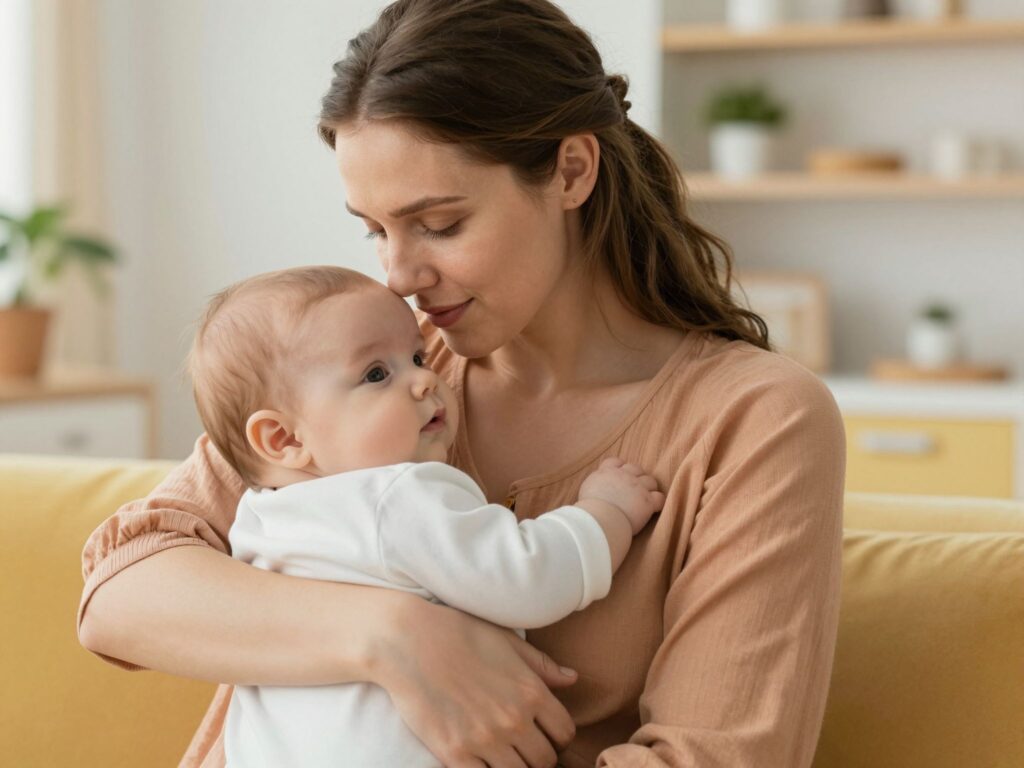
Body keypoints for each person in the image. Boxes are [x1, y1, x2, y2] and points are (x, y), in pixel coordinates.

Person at [77, 1, 846, 766]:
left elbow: (711, 757)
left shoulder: (751, 419)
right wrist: (395, 638)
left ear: (572, 171)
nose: (399, 276)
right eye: (375, 230)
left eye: (439, 224)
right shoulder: (368, 376)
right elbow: (120, 591)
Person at [186, 265, 663, 766]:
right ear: (285, 439)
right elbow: (526, 575)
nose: (422, 379)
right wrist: (605, 512)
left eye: (415, 356)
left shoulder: (260, 520)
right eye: (376, 374)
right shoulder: (394, 495)